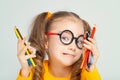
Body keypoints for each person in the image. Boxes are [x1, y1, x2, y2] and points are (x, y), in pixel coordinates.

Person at [16, 11, 101, 80]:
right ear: (46, 41)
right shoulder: (32, 72)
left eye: (80, 41)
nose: (73, 47)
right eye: (65, 38)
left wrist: (90, 68)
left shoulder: (86, 74)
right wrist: (25, 71)